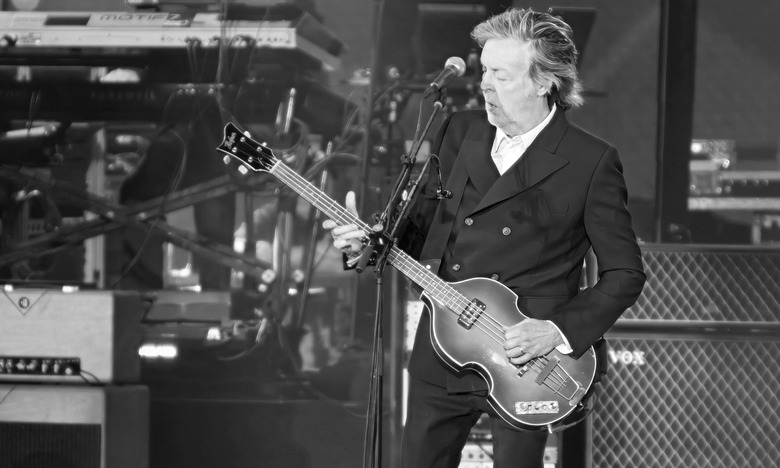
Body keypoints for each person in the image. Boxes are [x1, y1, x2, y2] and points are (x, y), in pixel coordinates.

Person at [324, 7, 646, 468]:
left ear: (544, 82)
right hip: (443, 348)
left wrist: (555, 332)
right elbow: (414, 231)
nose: (486, 84)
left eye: (503, 75)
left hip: (527, 361)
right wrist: (369, 245)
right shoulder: (458, 130)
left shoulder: (590, 161)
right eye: (485, 71)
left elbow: (625, 275)